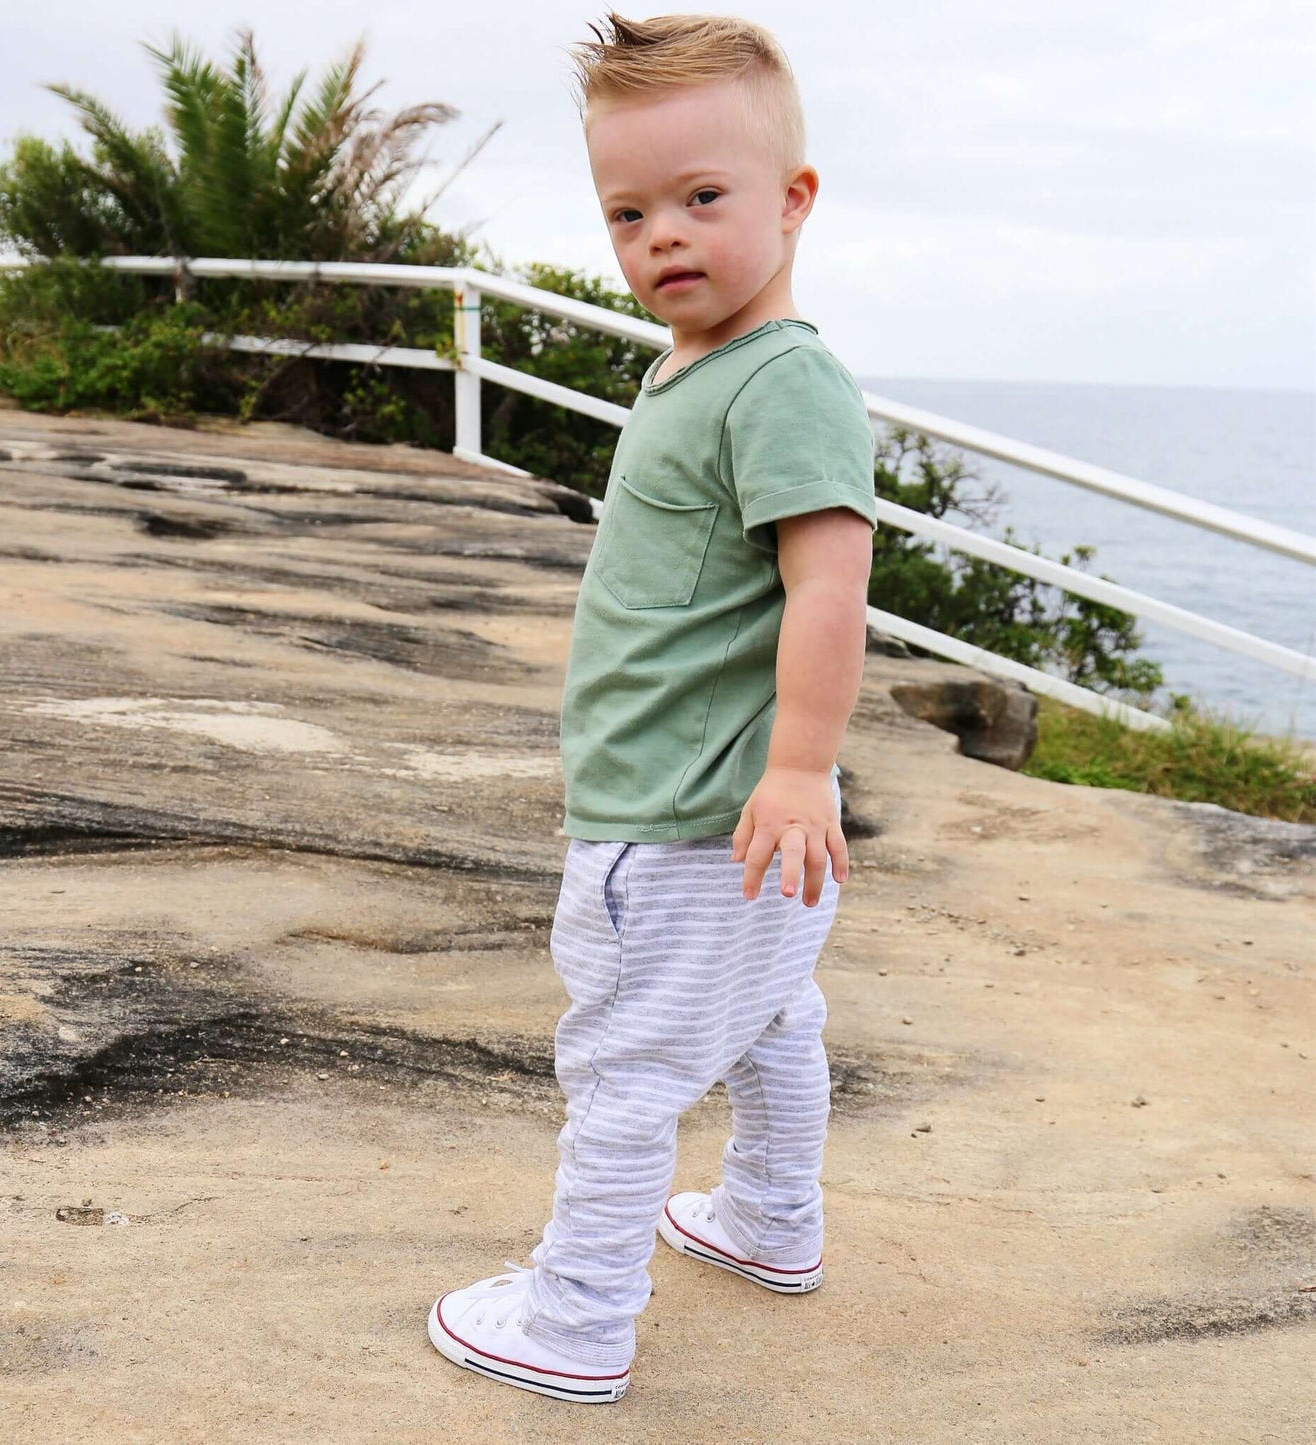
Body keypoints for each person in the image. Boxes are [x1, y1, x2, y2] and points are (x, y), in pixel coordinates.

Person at [428, 11, 877, 1403]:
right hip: (732, 821)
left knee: (623, 1061)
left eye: (701, 199)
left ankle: (574, 1313)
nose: (660, 238)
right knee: (769, 1021)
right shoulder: (692, 362)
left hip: (686, 817)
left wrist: (800, 764)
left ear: (792, 201)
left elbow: (828, 581)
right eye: (627, 211)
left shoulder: (781, 376)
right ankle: (766, 1218)